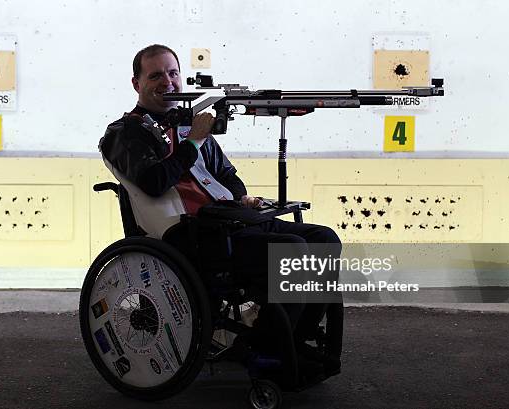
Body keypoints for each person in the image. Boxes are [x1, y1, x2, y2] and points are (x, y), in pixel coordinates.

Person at [99, 44, 343, 377]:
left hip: (231, 222)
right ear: (136, 83)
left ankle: (288, 340)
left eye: (173, 73)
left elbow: (227, 175)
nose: (167, 82)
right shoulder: (125, 133)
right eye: (155, 75)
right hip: (194, 237)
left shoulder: (189, 124)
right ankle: (269, 351)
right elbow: (154, 181)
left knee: (324, 240)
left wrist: (241, 198)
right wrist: (195, 141)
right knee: (294, 252)